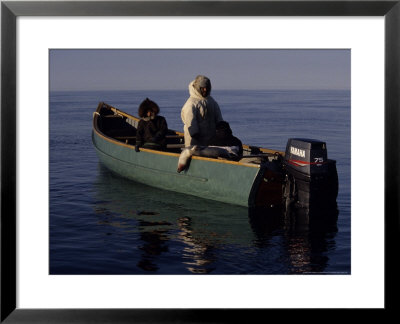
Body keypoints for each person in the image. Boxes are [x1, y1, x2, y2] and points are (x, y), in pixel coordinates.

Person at [181, 75, 223, 146]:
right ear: (197, 88)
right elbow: (190, 121)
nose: (205, 90)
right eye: (202, 88)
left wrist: (222, 129)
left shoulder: (211, 101)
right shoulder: (191, 103)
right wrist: (195, 135)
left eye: (207, 88)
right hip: (195, 141)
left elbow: (219, 118)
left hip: (211, 140)